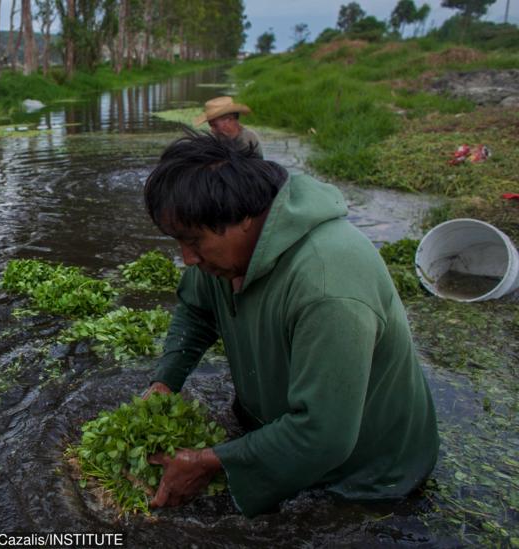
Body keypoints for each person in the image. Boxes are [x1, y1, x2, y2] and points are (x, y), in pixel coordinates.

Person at [141, 130, 438, 517]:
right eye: (178, 242)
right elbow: (198, 310)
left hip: (368, 474)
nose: (186, 258)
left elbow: (323, 435)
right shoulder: (221, 254)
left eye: (193, 242)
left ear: (244, 218)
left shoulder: (329, 286)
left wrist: (208, 462)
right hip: (285, 428)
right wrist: (166, 380)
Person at [194, 96, 263, 158]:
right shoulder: (211, 139)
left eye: (215, 125)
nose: (212, 130)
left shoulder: (248, 139)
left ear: (229, 120)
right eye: (211, 125)